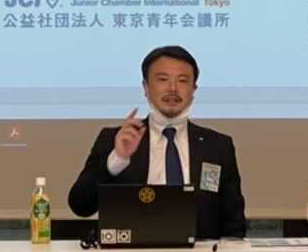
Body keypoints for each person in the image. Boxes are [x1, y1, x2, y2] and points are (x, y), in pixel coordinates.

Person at [69, 44, 246, 240]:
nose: (173, 89)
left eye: (182, 80)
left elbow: (234, 223)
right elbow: (81, 206)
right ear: (145, 87)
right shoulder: (116, 139)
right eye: (162, 79)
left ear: (193, 89)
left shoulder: (217, 146)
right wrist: (117, 158)